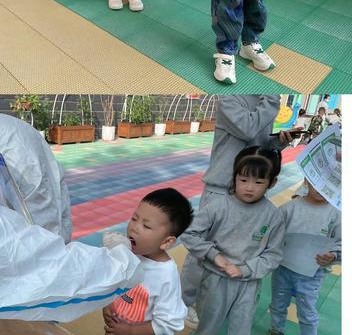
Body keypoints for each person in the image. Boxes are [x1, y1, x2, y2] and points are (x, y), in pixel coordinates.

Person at [180, 95, 300, 328]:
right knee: (199, 255)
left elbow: (256, 145)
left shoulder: (265, 102)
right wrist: (272, 102)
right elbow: (247, 129)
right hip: (221, 188)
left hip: (250, 191)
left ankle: (220, 295)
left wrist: (277, 143)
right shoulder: (232, 100)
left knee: (237, 245)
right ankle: (184, 303)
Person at [183, 148, 285, 335]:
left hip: (248, 283)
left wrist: (245, 270)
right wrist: (214, 256)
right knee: (208, 326)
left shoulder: (273, 216)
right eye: (243, 180)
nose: (249, 187)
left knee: (241, 329)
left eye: (259, 182)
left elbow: (273, 254)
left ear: (272, 183)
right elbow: (189, 234)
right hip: (215, 279)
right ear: (234, 178)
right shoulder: (218, 206)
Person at [102, 188, 191, 334]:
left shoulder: (166, 275)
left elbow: (169, 323)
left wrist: (131, 331)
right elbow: (114, 282)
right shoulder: (127, 253)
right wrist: (106, 304)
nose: (134, 228)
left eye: (146, 226)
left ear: (166, 242)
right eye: (134, 218)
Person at [269, 179, 341, 335]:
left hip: (312, 275)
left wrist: (333, 256)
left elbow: (342, 242)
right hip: (283, 270)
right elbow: (271, 232)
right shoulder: (289, 209)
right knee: (277, 304)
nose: (322, 188)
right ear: (307, 180)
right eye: (318, 181)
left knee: (307, 311)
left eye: (330, 183)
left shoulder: (337, 215)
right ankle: (276, 330)